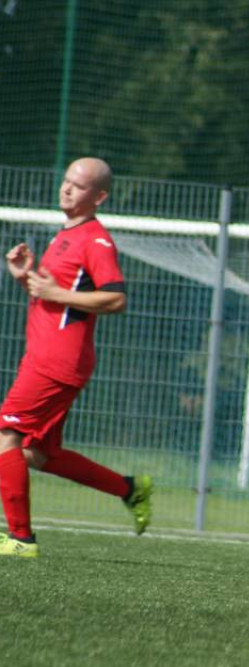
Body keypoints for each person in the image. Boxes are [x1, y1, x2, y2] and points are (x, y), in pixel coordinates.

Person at [0, 158, 153, 558]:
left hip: (56, 362)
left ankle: (20, 539)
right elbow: (59, 300)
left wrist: (57, 294)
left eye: (79, 185)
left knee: (5, 436)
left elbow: (116, 298)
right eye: (66, 181)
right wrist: (26, 277)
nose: (67, 189)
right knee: (38, 454)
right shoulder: (64, 235)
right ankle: (129, 488)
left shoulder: (95, 240)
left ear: (99, 196)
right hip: (45, 357)